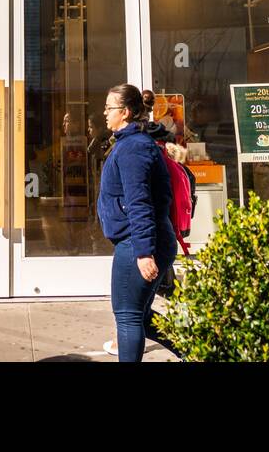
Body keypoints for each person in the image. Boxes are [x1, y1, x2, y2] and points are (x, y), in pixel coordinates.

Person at [97, 84, 178, 362]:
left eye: (110, 108)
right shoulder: (130, 143)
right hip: (139, 241)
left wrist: (144, 252)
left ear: (126, 112)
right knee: (139, 315)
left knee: (128, 316)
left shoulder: (134, 148)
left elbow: (140, 202)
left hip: (138, 243)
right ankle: (195, 349)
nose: (105, 113)